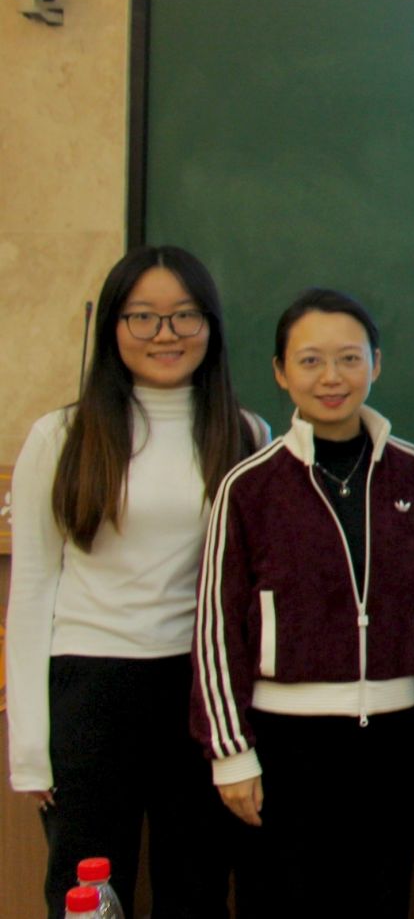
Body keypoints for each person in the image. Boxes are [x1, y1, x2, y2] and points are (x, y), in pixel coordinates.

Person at [6, 247, 265, 919]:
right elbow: (31, 591)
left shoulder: (245, 432)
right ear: (113, 327)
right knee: (87, 890)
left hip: (198, 692)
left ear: (210, 325)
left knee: (196, 889)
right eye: (143, 316)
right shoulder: (61, 435)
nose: (165, 334)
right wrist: (30, 746)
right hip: (89, 688)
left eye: (185, 315)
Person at [191, 288, 414, 919]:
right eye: (310, 361)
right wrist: (231, 753)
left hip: (395, 738)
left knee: (381, 902)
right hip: (285, 745)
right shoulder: (249, 486)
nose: (332, 377)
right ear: (280, 371)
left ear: (375, 364)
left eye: (349, 358)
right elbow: (216, 629)